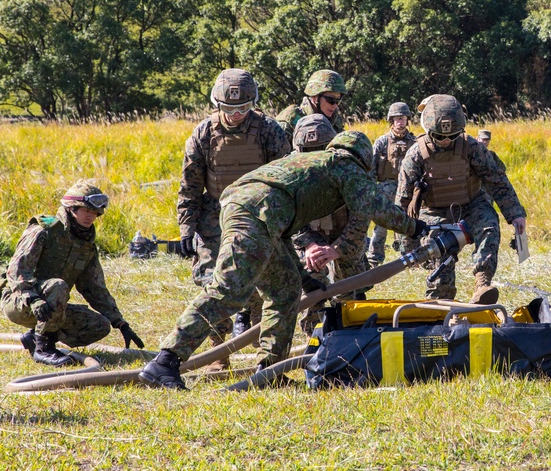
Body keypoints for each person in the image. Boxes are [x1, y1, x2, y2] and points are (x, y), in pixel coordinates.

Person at [139, 131, 430, 390]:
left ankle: (269, 371)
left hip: (257, 213)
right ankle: (166, 361)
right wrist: (417, 228)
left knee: (286, 289)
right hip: (255, 213)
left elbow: (282, 231)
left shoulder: (314, 163)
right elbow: (374, 207)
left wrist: (304, 279)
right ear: (364, 159)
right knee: (228, 290)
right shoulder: (344, 164)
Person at [177, 69, 290, 365]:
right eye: (229, 108)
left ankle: (261, 351)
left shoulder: (269, 131)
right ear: (217, 105)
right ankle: (218, 350)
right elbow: (189, 185)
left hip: (258, 216)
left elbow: (286, 178)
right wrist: (187, 228)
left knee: (260, 284)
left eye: (243, 108)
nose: (237, 114)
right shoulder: (203, 134)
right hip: (215, 217)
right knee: (213, 283)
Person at [0, 181, 145, 367]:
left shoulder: (86, 246)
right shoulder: (44, 230)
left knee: (98, 326)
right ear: (72, 208)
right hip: (19, 301)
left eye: (95, 213)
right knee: (58, 286)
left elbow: (95, 289)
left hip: (50, 304)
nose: (91, 217)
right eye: (86, 211)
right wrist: (33, 298)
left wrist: (120, 323)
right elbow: (17, 269)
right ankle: (43, 348)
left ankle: (35, 336)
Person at [397, 95, 527, 304]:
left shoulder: (472, 147)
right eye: (439, 136)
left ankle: (482, 284)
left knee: (488, 225)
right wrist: (407, 243)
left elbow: (496, 180)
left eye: (453, 135)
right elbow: (402, 201)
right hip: (434, 212)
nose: (447, 141)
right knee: (438, 245)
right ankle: (441, 301)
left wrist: (516, 214)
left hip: (471, 205)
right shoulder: (416, 155)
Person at [290, 114, 371, 333]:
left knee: (348, 289)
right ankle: (314, 338)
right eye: (308, 151)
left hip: (344, 236)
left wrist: (338, 249)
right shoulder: (288, 171)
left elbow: (361, 216)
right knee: (312, 282)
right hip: (311, 238)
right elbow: (286, 215)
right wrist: (309, 245)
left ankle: (348, 333)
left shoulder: (350, 167)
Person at [367, 102, 417, 266]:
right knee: (381, 226)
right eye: (396, 119)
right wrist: (372, 190)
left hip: (408, 190)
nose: (399, 122)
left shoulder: (414, 142)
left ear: (407, 119)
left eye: (402, 118)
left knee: (409, 224)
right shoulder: (382, 142)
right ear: (391, 120)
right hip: (385, 190)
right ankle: (374, 258)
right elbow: (372, 167)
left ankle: (410, 257)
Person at [276, 69, 346, 141]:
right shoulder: (291, 120)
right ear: (314, 96)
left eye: (338, 100)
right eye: (331, 100)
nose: (335, 105)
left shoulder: (335, 121)